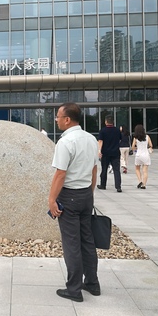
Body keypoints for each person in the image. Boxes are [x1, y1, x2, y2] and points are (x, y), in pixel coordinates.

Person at [48, 102, 100, 302]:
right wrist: (90, 193)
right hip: (85, 194)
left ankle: (74, 289)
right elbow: (94, 169)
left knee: (71, 243)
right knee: (87, 240)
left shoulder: (65, 142)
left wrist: (52, 199)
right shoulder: (91, 139)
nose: (56, 120)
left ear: (67, 119)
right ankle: (92, 283)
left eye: (58, 116)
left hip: (69, 196)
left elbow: (60, 174)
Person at [97, 115, 122, 192]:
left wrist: (99, 151)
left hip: (105, 153)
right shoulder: (117, 130)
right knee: (116, 170)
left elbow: (100, 141)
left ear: (106, 122)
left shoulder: (103, 131)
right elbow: (120, 140)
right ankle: (118, 186)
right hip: (115, 152)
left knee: (104, 169)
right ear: (113, 122)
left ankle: (103, 185)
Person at [131, 124, 153, 189]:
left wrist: (136, 148)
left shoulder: (135, 138)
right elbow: (151, 145)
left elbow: (132, 147)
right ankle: (144, 184)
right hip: (146, 155)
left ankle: (140, 181)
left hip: (138, 155)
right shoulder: (147, 137)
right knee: (145, 171)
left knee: (137, 169)